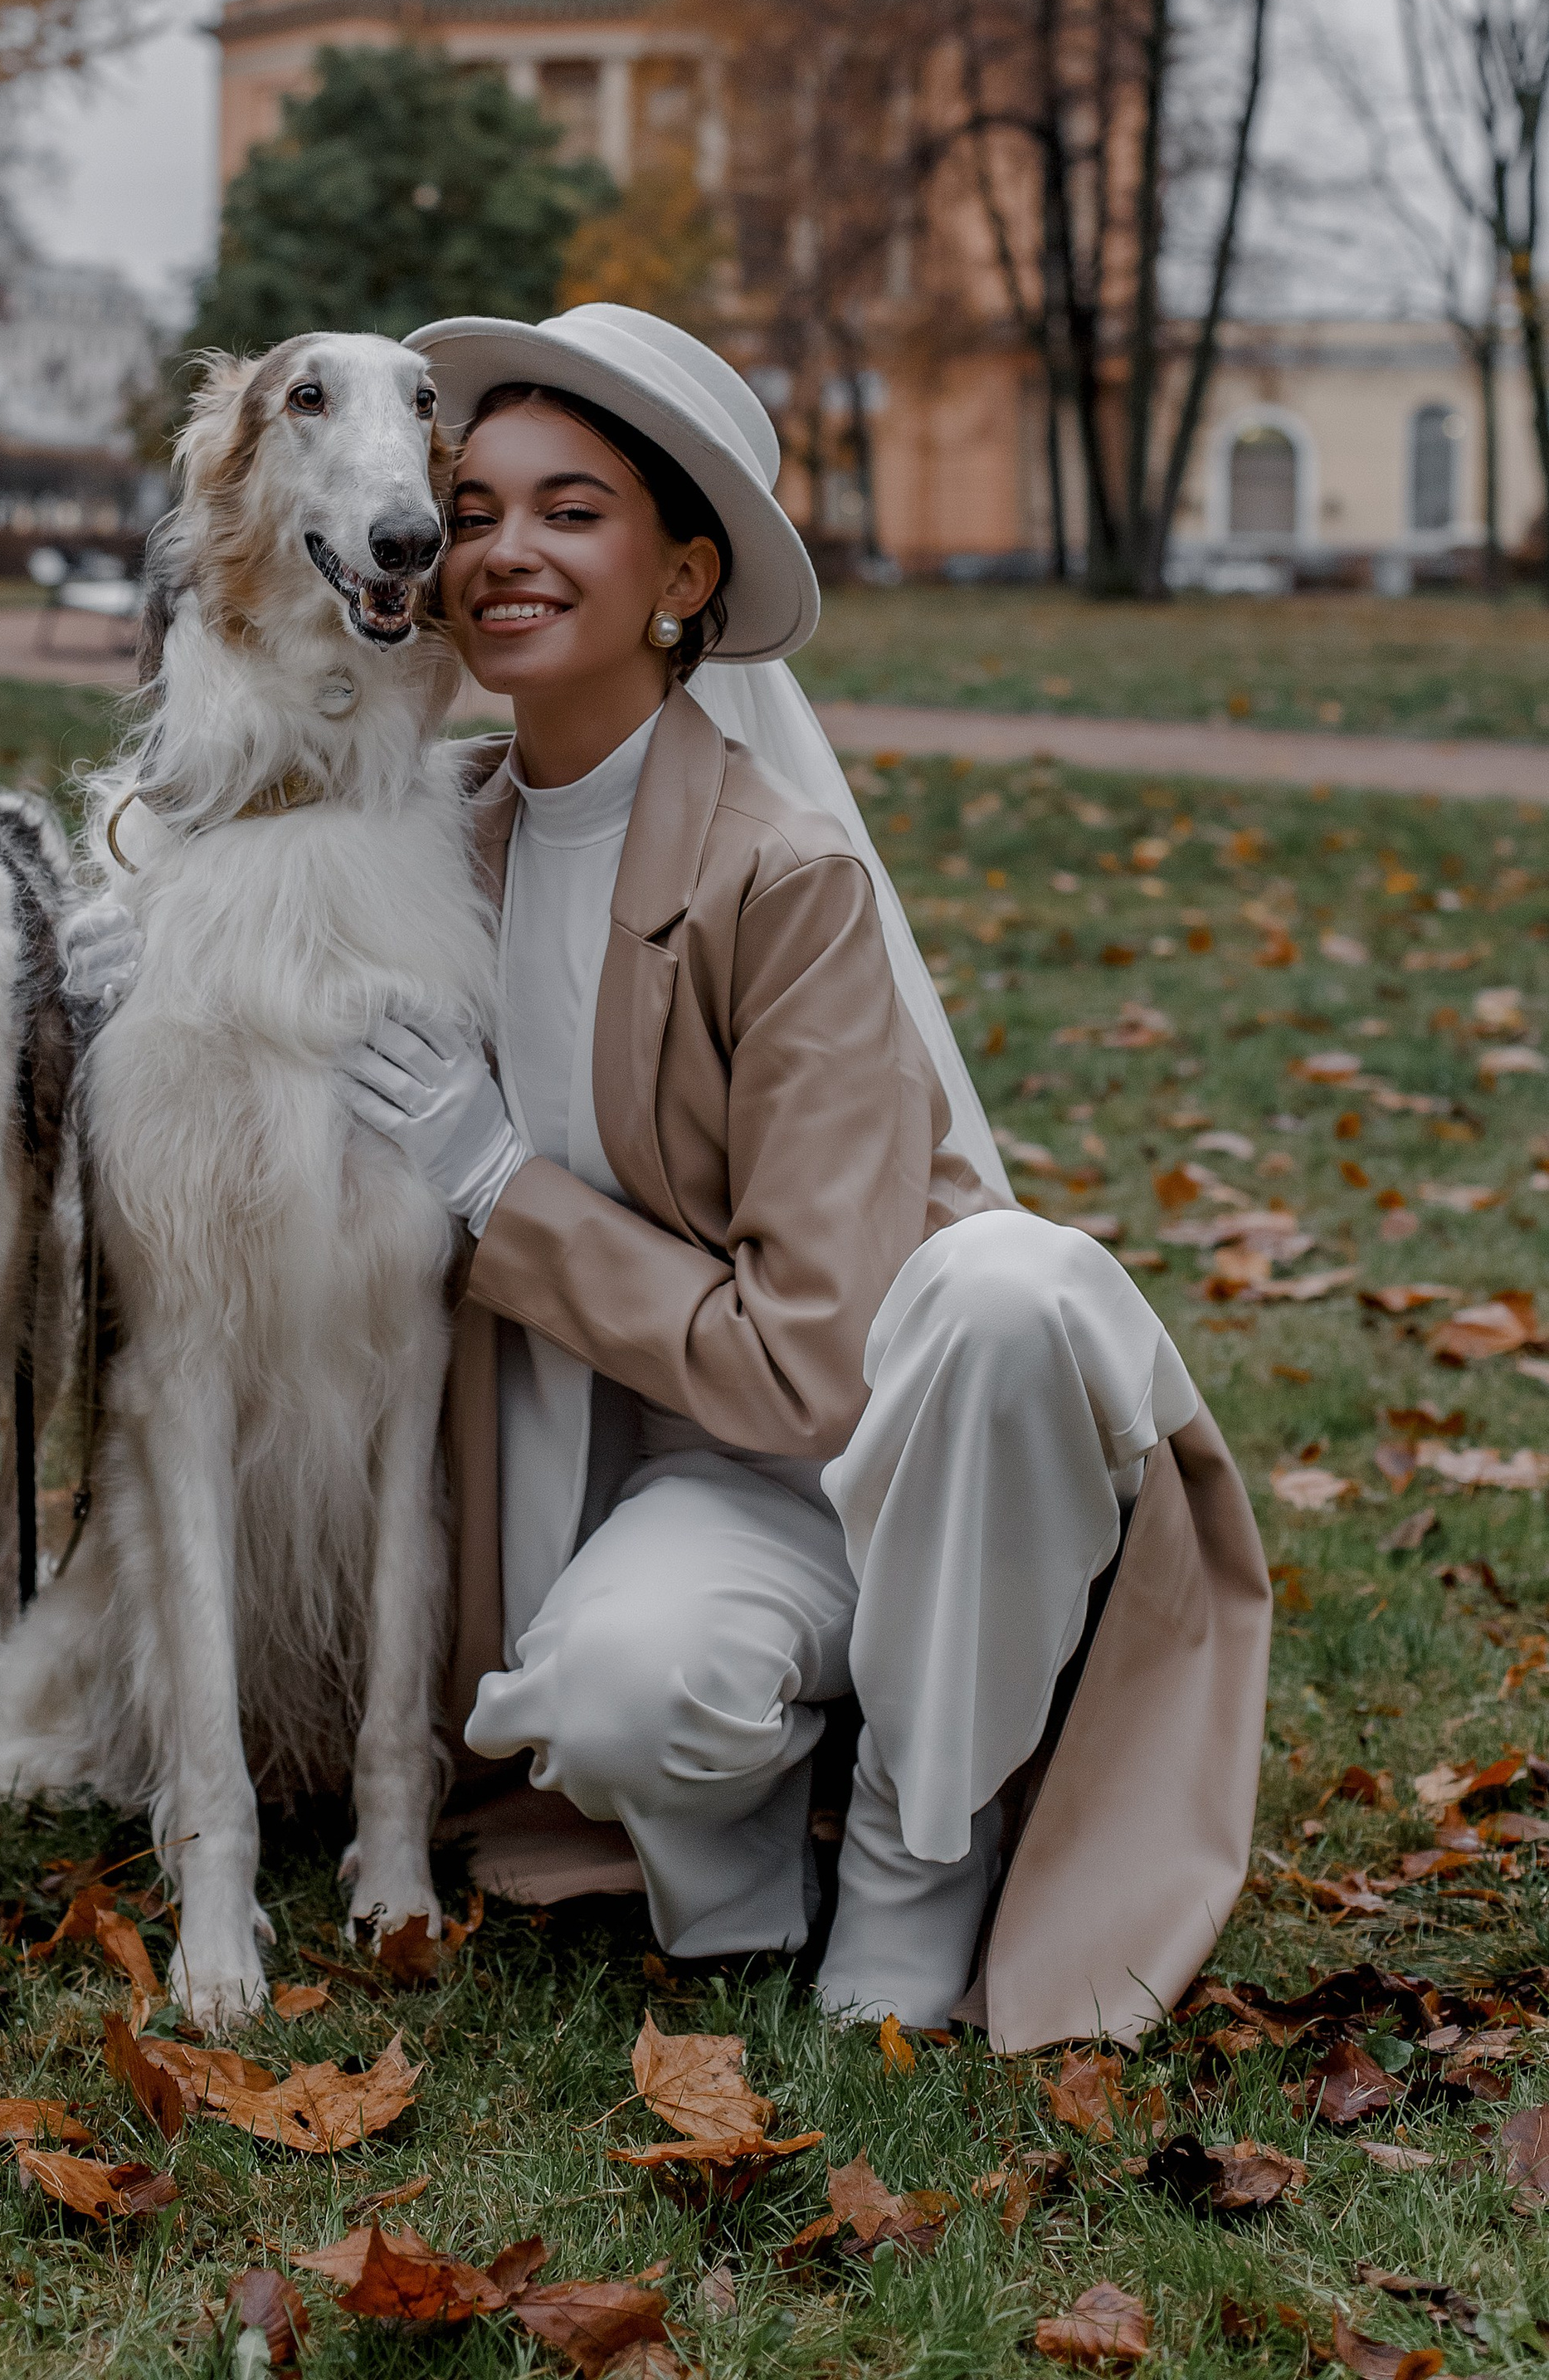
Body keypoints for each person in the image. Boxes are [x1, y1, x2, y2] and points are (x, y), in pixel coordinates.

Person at [337, 305, 1269, 2045]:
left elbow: (811, 1362)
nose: (503, 550)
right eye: (471, 511)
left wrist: (499, 1186)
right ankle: (740, 1881)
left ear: (684, 576)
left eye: (571, 510)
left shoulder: (784, 875)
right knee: (611, 1696)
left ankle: (921, 1852)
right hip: (670, 1484)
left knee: (1008, 1285)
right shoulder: (430, 844)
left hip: (892, 1457)